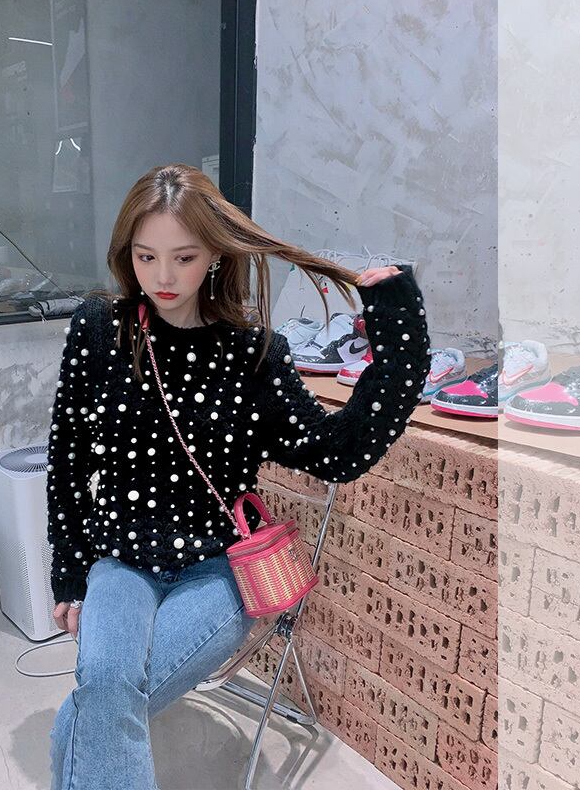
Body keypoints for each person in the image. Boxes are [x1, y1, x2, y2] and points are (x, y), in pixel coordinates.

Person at [46, 163, 430, 789]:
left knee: (95, 706)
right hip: (120, 560)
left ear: (215, 256)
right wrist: (69, 571)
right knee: (107, 686)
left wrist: (399, 333)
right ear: (126, 254)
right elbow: (68, 457)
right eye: (145, 257)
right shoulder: (98, 329)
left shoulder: (253, 353)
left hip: (218, 568)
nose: (162, 278)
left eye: (184, 257)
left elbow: (339, 452)